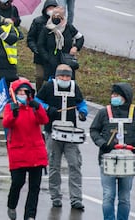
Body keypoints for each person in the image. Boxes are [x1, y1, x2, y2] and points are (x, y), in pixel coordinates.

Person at [36, 64, 88, 210]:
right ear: (56, 76)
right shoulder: (48, 87)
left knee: (75, 165)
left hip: (71, 133)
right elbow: (37, 101)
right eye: (62, 76)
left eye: (67, 76)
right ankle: (56, 196)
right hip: (53, 132)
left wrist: (83, 112)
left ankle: (76, 198)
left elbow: (81, 103)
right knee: (54, 165)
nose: (64, 79)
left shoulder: (74, 87)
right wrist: (47, 108)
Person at [3, 77, 49, 220]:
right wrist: (14, 114)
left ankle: (30, 215)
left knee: (34, 187)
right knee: (17, 182)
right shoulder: (10, 107)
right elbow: (6, 123)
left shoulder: (34, 107)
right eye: (20, 92)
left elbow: (44, 120)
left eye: (25, 92)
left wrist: (38, 108)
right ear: (14, 93)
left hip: (36, 152)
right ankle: (12, 204)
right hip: (19, 152)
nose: (23, 94)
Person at [90, 82, 135, 220]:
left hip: (128, 160)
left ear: (125, 97)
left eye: (117, 95)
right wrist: (103, 144)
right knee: (108, 195)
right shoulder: (104, 112)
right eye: (113, 94)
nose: (113, 97)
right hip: (107, 159)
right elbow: (94, 130)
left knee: (125, 197)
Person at [36, 6, 84, 82]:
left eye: (59, 16)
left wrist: (76, 47)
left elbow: (80, 38)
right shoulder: (47, 29)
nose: (56, 18)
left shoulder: (68, 27)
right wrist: (47, 57)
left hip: (66, 62)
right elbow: (40, 45)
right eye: (54, 15)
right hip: (51, 64)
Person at [27, 0, 58, 89]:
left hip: (54, 56)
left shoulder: (60, 22)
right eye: (49, 8)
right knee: (40, 76)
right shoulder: (38, 21)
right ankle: (39, 93)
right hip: (40, 55)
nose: (51, 11)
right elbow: (31, 38)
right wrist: (35, 49)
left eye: (53, 8)